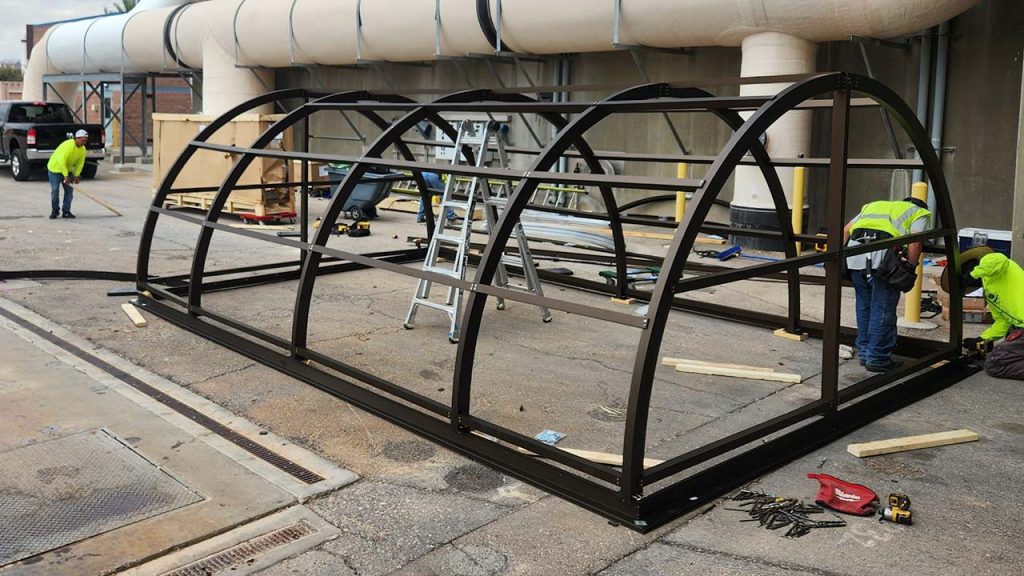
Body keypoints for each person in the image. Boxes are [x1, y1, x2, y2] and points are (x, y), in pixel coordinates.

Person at [842, 197, 931, 372]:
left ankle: (866, 352)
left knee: (864, 306)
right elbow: (916, 241)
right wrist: (909, 267)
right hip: (882, 262)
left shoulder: (872, 205)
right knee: (882, 309)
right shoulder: (919, 212)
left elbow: (846, 230)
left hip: (855, 258)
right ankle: (877, 358)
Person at [943, 246, 1024, 379]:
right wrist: (983, 339)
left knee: (994, 364)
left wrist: (972, 274)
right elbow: (1002, 321)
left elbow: (998, 260)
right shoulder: (990, 289)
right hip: (1021, 327)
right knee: (1009, 338)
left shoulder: (995, 264)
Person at [46, 129, 89, 219]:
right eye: (82, 140)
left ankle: (66, 211)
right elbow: (62, 161)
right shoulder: (68, 146)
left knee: (69, 191)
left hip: (67, 170)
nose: (84, 142)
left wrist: (76, 175)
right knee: (55, 190)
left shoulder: (82, 150)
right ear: (77, 138)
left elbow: (80, 163)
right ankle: (55, 211)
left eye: (85, 140)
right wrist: (66, 176)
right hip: (55, 169)